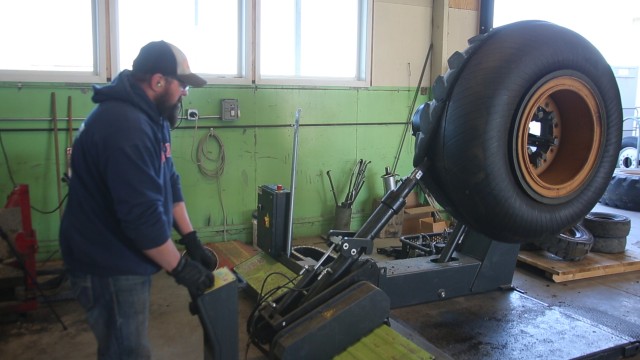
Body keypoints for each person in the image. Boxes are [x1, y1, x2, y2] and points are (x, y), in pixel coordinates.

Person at [59, 40, 217, 360]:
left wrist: (191, 239)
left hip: (126, 253)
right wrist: (182, 268)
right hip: (107, 263)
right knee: (126, 351)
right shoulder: (125, 126)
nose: (185, 93)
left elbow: (169, 180)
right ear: (158, 81)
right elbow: (141, 220)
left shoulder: (154, 117)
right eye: (182, 84)